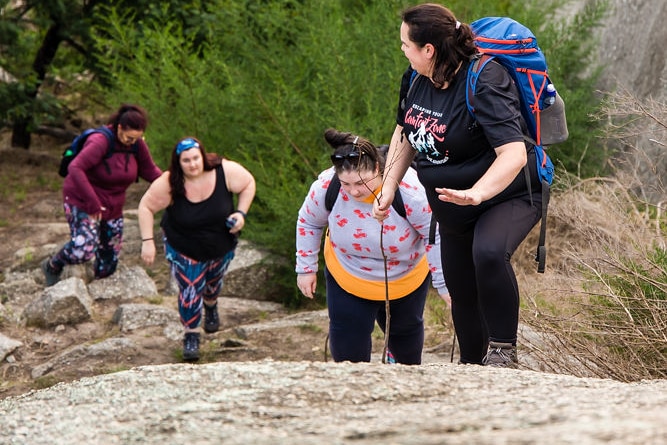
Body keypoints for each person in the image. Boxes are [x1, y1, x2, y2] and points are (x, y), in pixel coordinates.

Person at [373, 4, 543, 368]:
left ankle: (502, 352)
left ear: (429, 49)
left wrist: (478, 193)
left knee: (488, 253)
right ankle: (471, 368)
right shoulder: (416, 77)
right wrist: (389, 186)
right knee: (461, 288)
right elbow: (406, 131)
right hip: (453, 205)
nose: (402, 49)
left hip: (507, 195)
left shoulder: (484, 80)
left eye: (406, 44)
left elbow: (513, 153)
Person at [296, 128, 449, 365]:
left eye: (361, 182)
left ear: (378, 169)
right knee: (348, 345)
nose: (354, 191)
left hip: (405, 274)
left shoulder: (410, 191)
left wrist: (443, 283)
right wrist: (305, 268)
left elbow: (435, 235)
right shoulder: (327, 187)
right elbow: (309, 221)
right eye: (346, 183)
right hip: (348, 272)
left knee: (405, 343)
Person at [138, 137, 256, 361]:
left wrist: (241, 214)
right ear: (178, 162)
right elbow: (146, 206)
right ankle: (191, 334)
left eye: (195, 158)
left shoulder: (224, 171)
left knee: (212, 284)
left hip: (220, 244)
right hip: (184, 246)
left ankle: (211, 305)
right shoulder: (170, 182)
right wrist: (147, 241)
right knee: (191, 290)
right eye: (186, 160)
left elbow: (248, 183)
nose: (192, 164)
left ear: (202, 156)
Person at [42, 104, 162, 286]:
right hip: (82, 199)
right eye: (129, 138)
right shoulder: (100, 141)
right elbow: (75, 167)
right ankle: (52, 265)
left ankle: (97, 288)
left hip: (113, 204)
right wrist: (92, 202)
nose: (132, 142)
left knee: (109, 258)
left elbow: (150, 171)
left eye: (138, 138)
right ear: (120, 128)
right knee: (84, 249)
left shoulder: (137, 145)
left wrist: (172, 185)